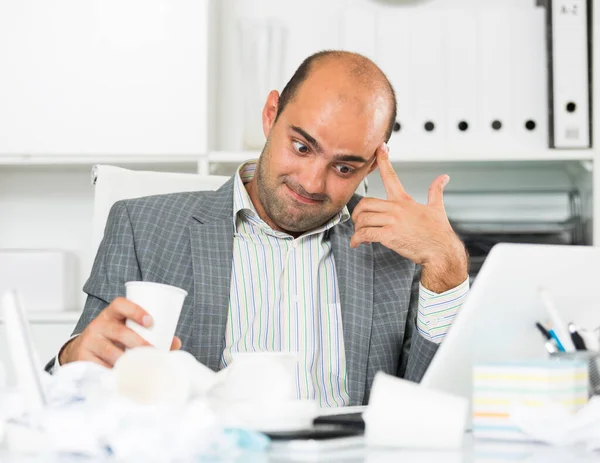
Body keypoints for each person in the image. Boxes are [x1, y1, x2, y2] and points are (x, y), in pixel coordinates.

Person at [47, 50, 469, 406]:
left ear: (374, 164)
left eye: (344, 167)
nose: (311, 182)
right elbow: (79, 390)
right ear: (271, 115)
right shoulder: (143, 227)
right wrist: (74, 357)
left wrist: (447, 267)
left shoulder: (396, 252)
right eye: (301, 147)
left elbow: (436, 406)